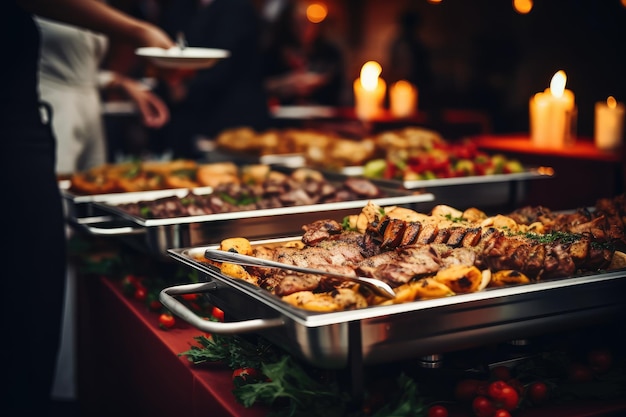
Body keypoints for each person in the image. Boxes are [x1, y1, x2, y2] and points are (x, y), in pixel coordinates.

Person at [0, 1, 173, 416]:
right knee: (45, 253)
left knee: (83, 241)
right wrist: (137, 30)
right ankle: (57, 386)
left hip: (86, 112)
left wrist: (118, 81)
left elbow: (79, 63)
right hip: (46, 110)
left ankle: (81, 370)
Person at [36, 16, 171, 176]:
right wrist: (142, 31)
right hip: (54, 105)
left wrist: (121, 83)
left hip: (91, 107)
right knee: (57, 180)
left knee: (94, 180)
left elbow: (86, 72)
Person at [151, 0, 273, 159]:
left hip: (232, 118)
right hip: (189, 119)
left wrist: (187, 89)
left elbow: (229, 64)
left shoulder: (237, 8)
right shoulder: (179, 8)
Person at [261, 0, 346, 107]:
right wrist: (283, 84)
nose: (303, 28)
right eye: (297, 22)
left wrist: (322, 80)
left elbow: (339, 92)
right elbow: (257, 85)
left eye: (308, 22)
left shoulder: (330, 53)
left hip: (322, 115)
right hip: (282, 115)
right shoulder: (274, 51)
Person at [387, 9, 434, 112]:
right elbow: (393, 67)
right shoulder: (397, 44)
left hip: (418, 92)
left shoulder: (420, 47)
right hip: (397, 91)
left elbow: (426, 74)